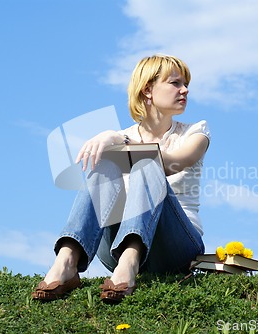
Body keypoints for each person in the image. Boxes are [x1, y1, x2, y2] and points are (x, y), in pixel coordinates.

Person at [32, 54, 211, 303]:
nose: (185, 90)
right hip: (114, 247)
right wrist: (111, 139)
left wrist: (116, 139)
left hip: (177, 247)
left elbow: (174, 162)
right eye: (175, 83)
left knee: (148, 163)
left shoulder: (195, 132)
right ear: (148, 89)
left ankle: (130, 262)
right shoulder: (119, 137)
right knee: (104, 163)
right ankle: (67, 260)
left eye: (185, 84)